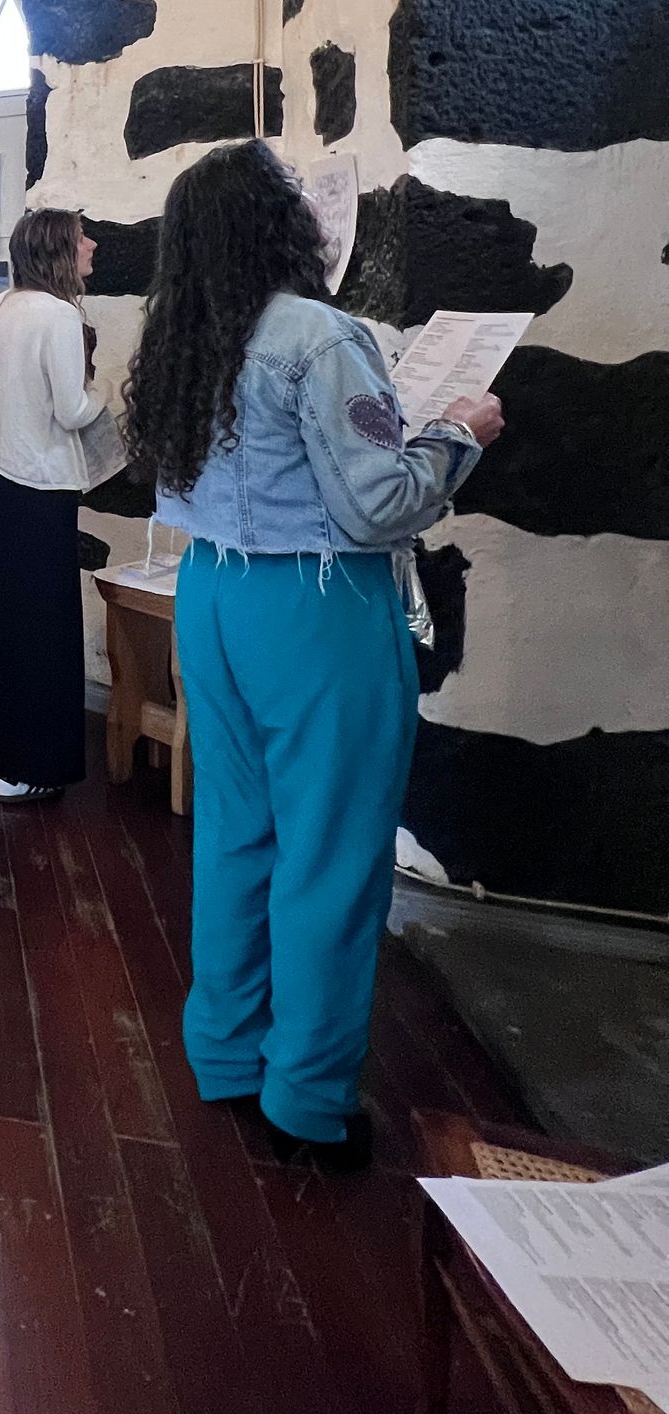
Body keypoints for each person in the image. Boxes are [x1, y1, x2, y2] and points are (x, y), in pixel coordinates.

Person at [124, 140, 503, 1172]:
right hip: (315, 608)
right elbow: (377, 505)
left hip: (212, 593)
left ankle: (226, 1052)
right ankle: (307, 1097)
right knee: (332, 854)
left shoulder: (184, 333)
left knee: (236, 835)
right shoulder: (319, 335)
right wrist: (459, 432)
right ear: (280, 223)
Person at [0, 207, 106, 803]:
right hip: (40, 489)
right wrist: (109, 396)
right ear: (58, 251)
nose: (91, 245)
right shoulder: (60, 314)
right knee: (43, 629)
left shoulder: (0, 304)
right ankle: (25, 766)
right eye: (81, 238)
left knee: (1, 621)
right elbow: (71, 411)